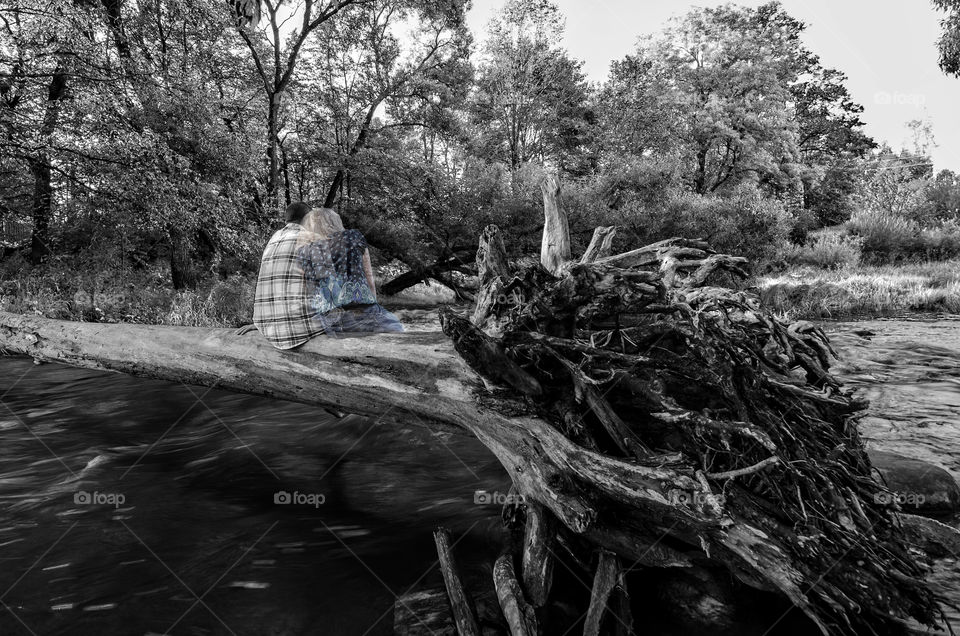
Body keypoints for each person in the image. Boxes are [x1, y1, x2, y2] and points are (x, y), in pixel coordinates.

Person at [251, 202, 402, 349]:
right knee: (391, 324)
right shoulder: (313, 240)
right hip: (298, 330)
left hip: (267, 326)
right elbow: (331, 290)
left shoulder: (273, 240)